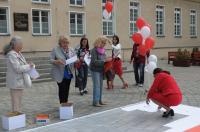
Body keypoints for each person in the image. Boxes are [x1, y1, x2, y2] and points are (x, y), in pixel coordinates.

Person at [3, 36, 34, 114]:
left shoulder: (18, 53)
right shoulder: (11, 55)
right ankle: (16, 116)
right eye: (21, 44)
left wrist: (29, 65)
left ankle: (18, 115)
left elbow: (23, 65)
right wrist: (28, 66)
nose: (22, 46)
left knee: (19, 100)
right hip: (15, 81)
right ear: (16, 45)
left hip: (20, 81)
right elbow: (17, 68)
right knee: (16, 101)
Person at [50, 36, 76, 106]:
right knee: (62, 89)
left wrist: (77, 60)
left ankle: (66, 102)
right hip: (60, 73)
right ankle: (62, 104)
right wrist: (57, 61)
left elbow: (74, 58)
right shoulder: (55, 49)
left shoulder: (71, 50)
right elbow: (51, 60)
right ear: (60, 43)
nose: (65, 44)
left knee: (67, 89)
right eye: (63, 42)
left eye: (67, 42)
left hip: (69, 72)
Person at [90, 36, 112, 107]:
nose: (104, 44)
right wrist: (104, 61)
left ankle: (100, 100)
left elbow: (104, 58)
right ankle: (95, 102)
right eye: (103, 43)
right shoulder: (93, 50)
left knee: (100, 86)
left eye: (105, 43)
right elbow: (94, 62)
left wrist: (108, 59)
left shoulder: (103, 50)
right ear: (99, 42)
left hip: (101, 70)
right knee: (97, 86)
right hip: (95, 70)